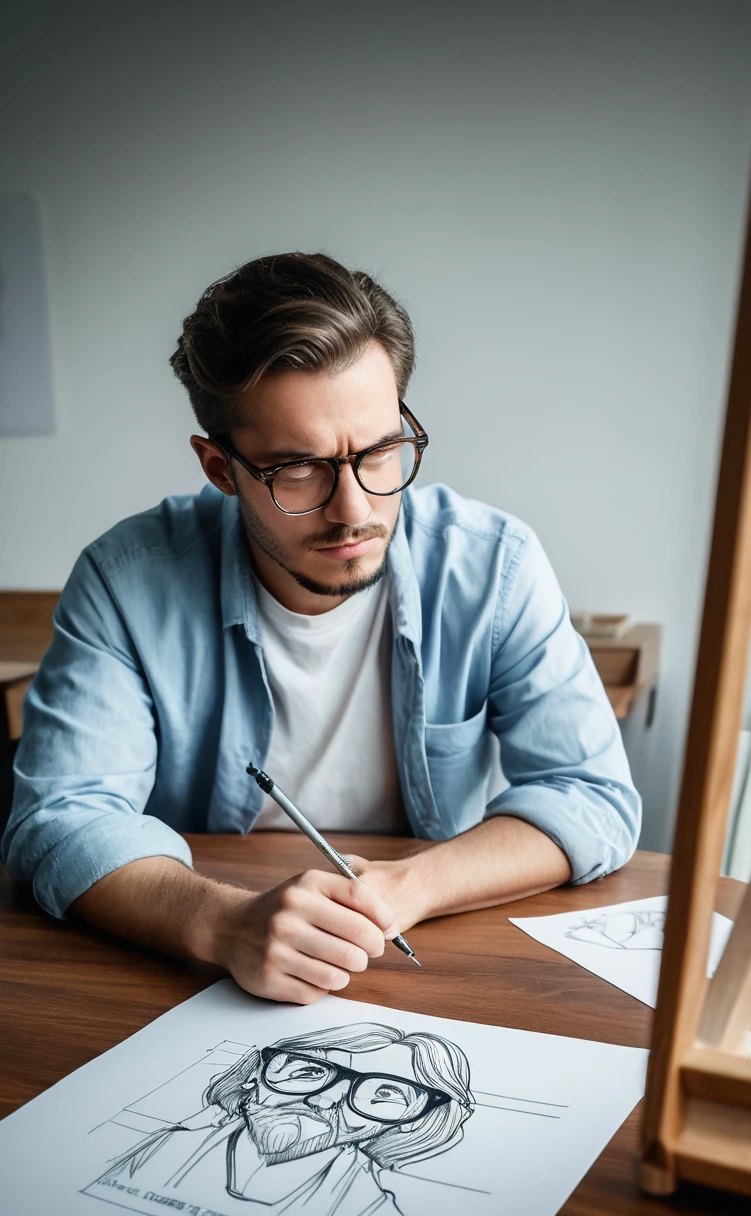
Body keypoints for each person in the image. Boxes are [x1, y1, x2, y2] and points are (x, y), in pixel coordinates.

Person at [2, 252, 641, 1004]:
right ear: (219, 468)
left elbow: (593, 795)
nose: (354, 510)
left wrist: (410, 886)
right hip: (198, 982)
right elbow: (59, 819)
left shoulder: (493, 566)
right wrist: (222, 922)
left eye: (378, 452)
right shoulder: (125, 580)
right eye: (299, 469)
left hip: (430, 962)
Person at [89, 1022, 474, 1215]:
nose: (325, 1100)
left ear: (410, 1120)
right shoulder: (164, 1146)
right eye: (309, 1071)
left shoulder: (364, 1208)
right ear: (257, 1073)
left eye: (385, 1094)